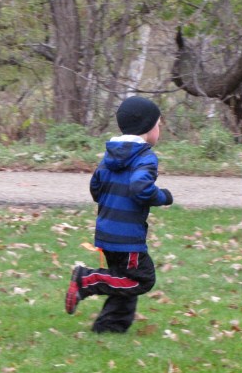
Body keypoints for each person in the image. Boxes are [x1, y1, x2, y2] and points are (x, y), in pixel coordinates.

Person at [65, 95, 173, 333]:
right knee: (140, 279)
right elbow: (140, 187)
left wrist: (112, 202)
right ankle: (85, 280)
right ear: (147, 128)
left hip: (106, 229)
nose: (160, 129)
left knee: (122, 280)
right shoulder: (144, 157)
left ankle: (109, 328)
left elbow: (96, 186)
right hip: (127, 237)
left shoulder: (112, 153)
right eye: (158, 124)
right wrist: (162, 196)